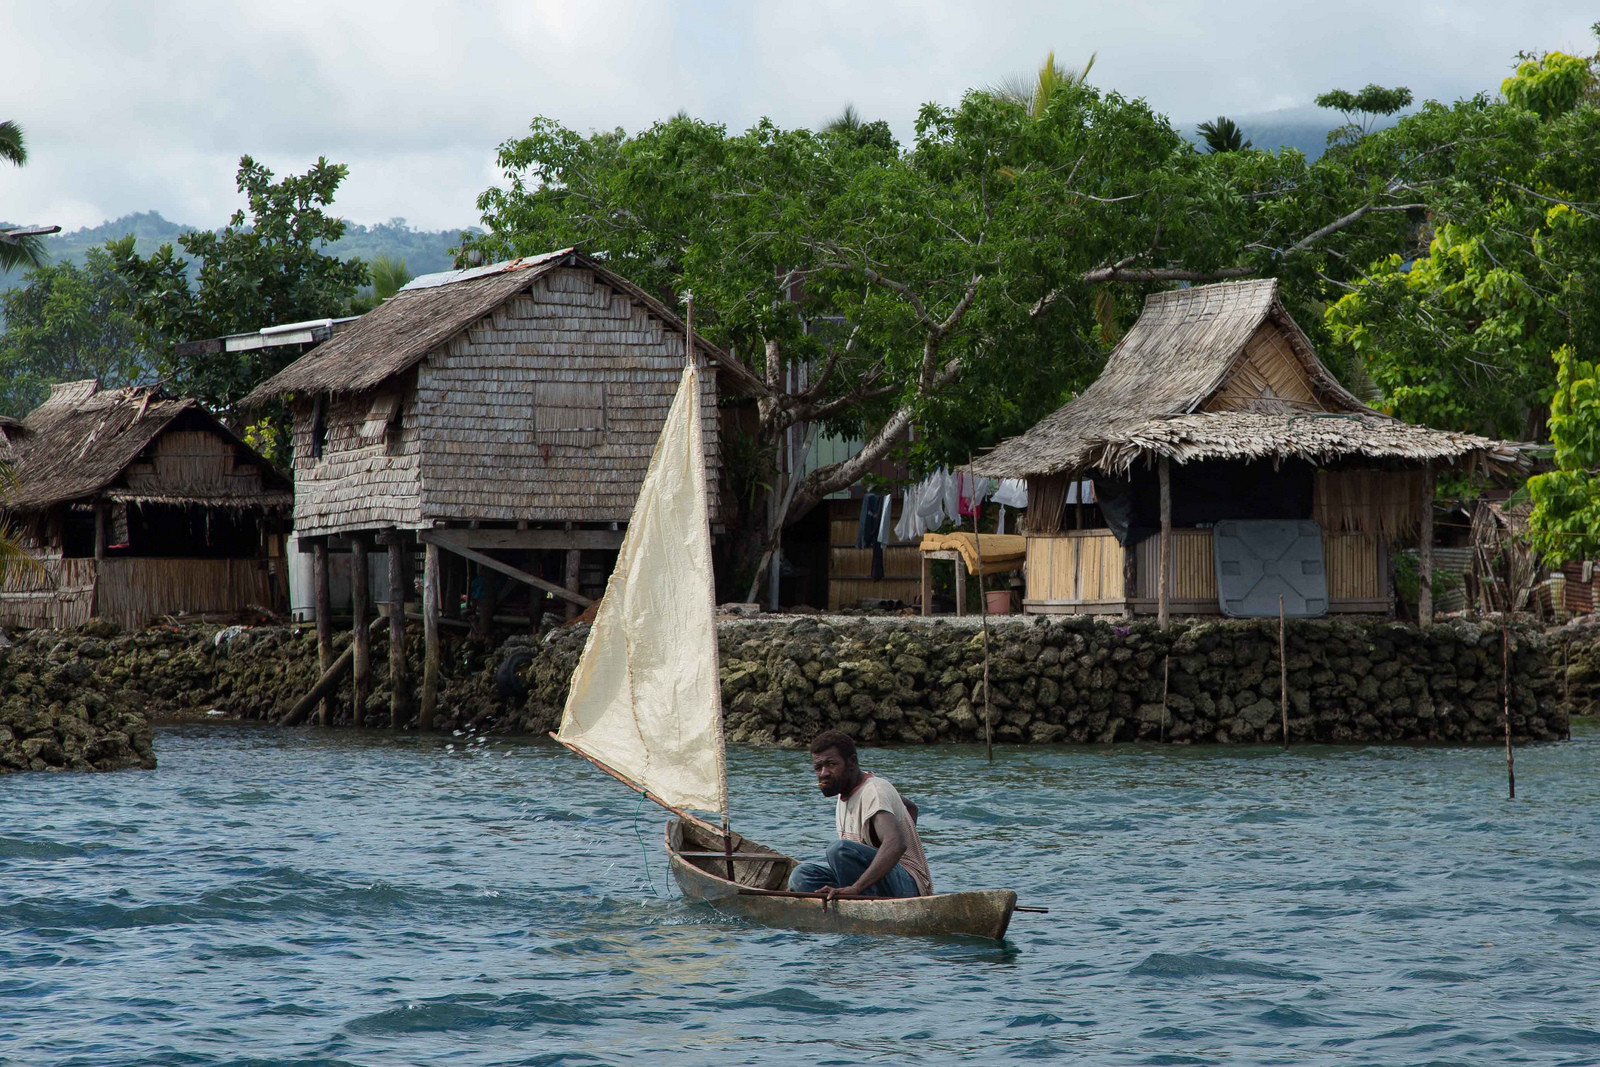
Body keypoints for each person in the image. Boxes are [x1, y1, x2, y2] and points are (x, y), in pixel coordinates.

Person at [787, 729, 933, 899]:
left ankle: (860, 900)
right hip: (872, 883)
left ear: (852, 762)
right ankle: (850, 901)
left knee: (839, 850)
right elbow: (911, 808)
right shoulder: (844, 794)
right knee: (802, 875)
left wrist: (856, 888)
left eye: (831, 764)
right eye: (818, 767)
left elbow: (896, 844)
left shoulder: (874, 791)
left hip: (908, 885)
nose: (823, 773)